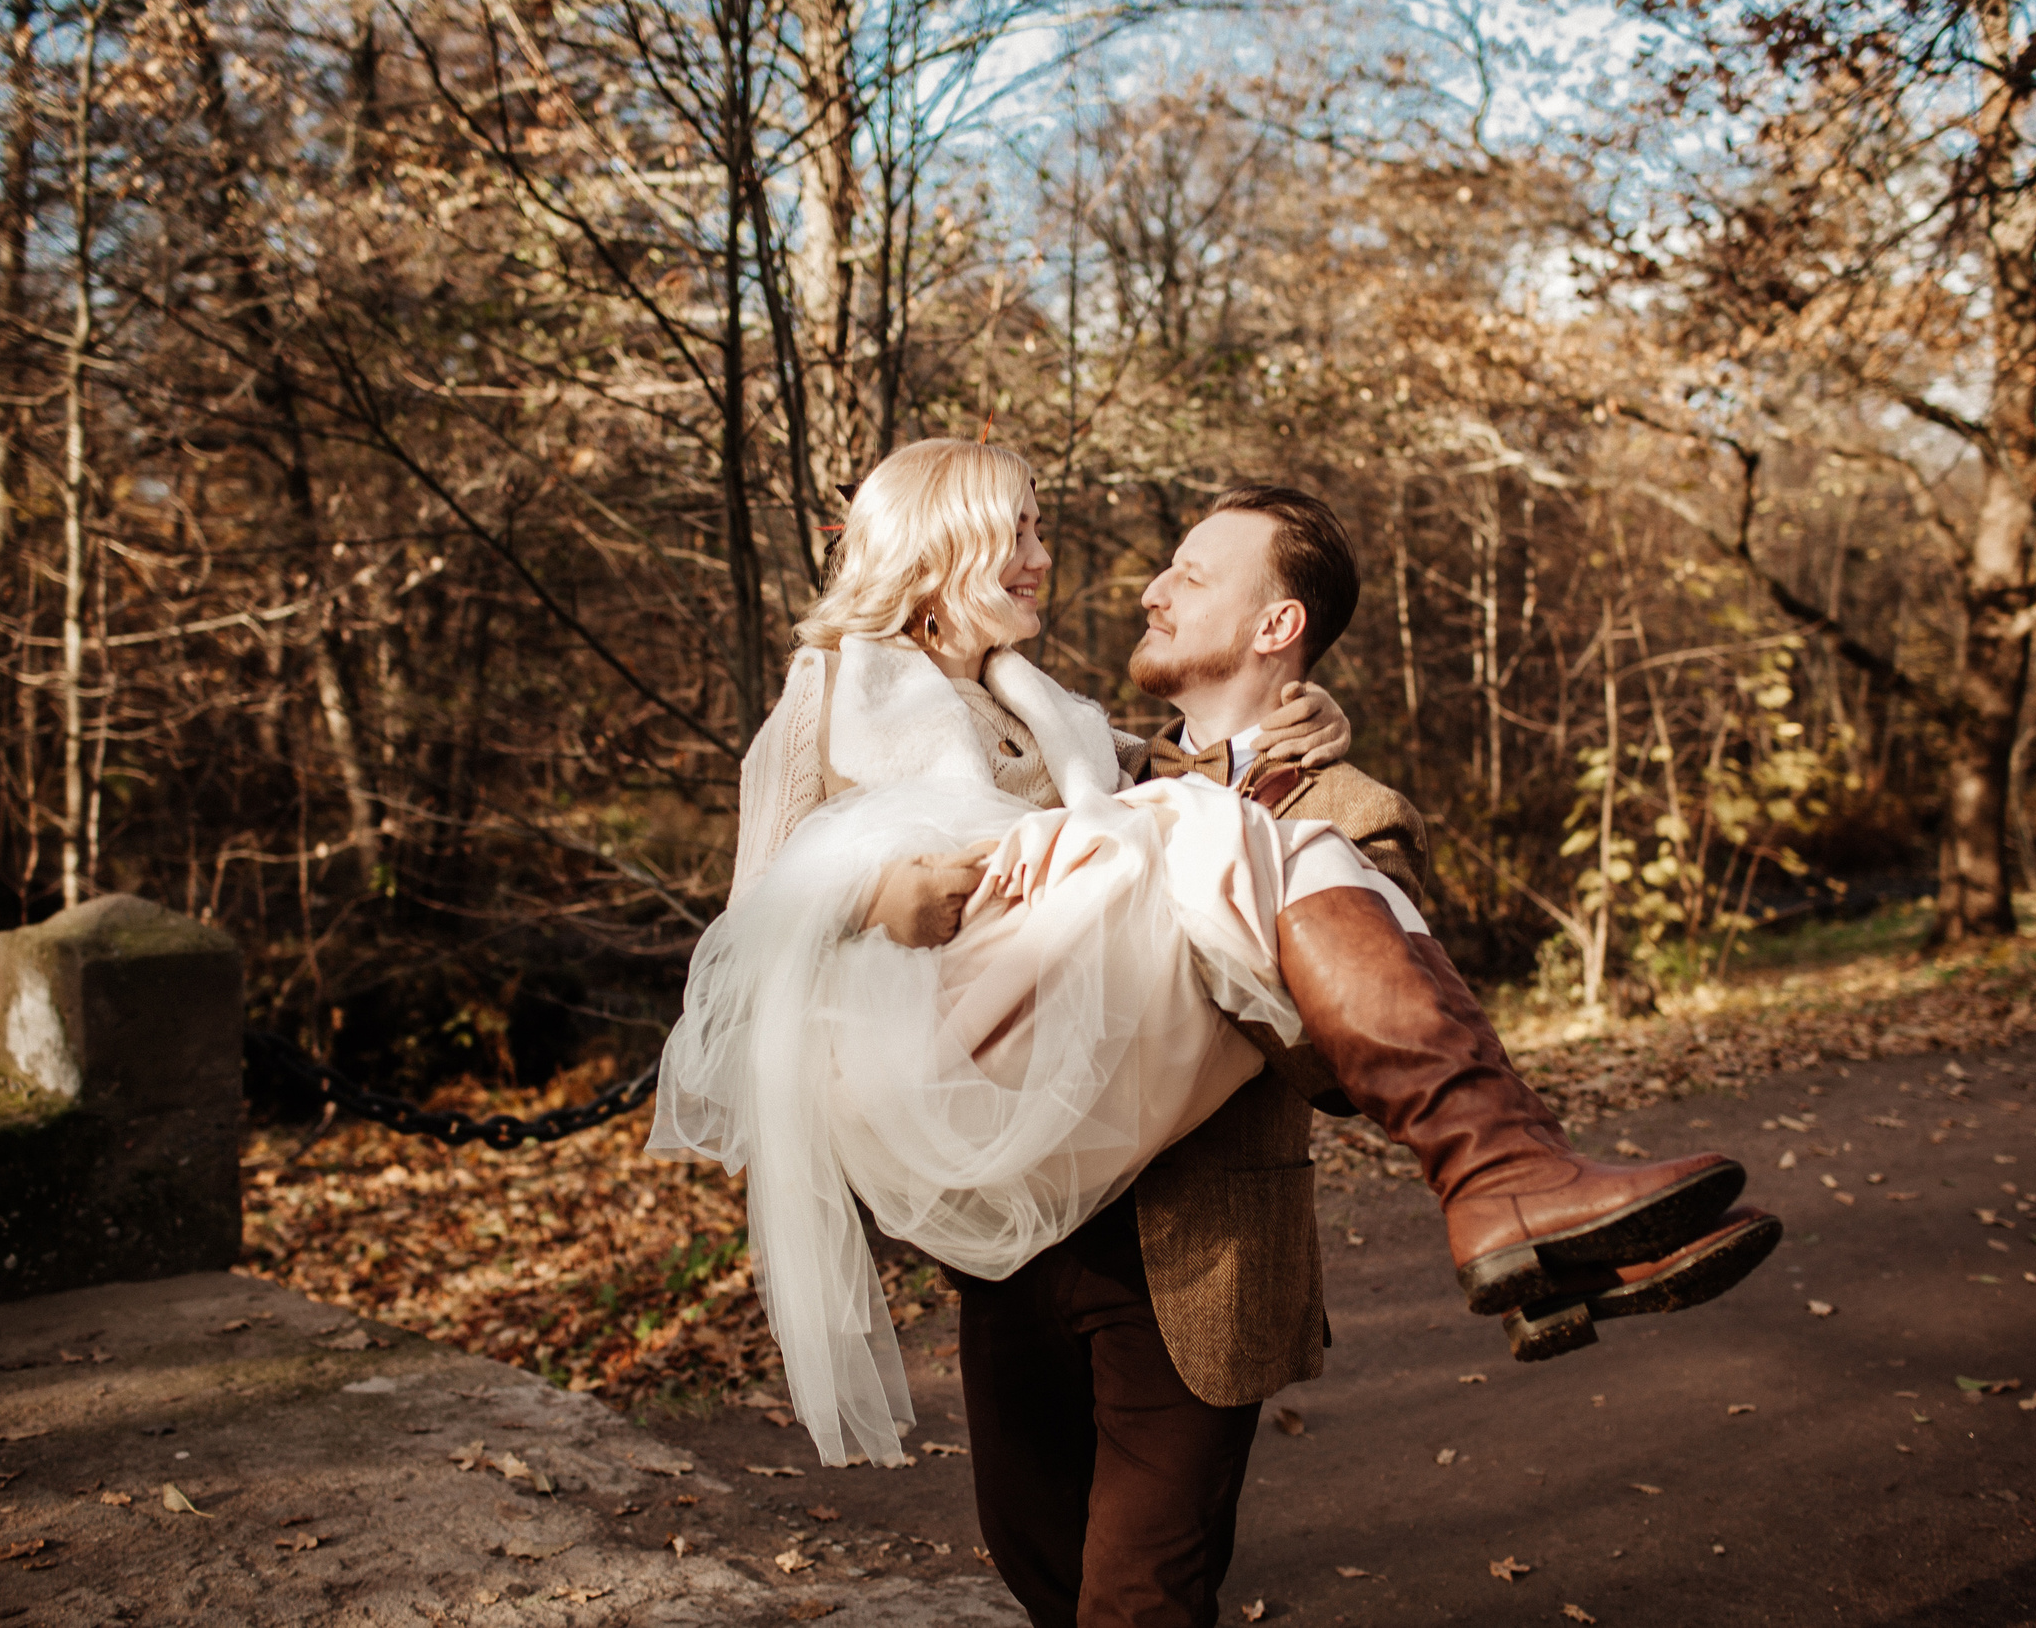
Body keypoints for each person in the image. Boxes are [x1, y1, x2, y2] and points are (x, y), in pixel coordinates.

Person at [647, 440, 1766, 1492]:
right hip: (927, 1058)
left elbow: (1172, 779)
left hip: (1076, 1082)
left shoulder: (1045, 713)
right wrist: (874, 894)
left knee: (1241, 827)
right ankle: (1496, 1171)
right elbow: (749, 936)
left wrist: (1292, 720)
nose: (1051, 558)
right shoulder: (829, 696)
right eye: (1023, 532)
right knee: (1219, 830)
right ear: (942, 548)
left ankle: (1512, 1190)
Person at [947, 483, 1779, 1628]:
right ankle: (1524, 1206)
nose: (1151, 587)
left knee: (1137, 1601)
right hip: (1024, 1242)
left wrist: (1251, 831)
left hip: (1198, 1264)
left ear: (1276, 627)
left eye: (1191, 573)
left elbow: (1339, 1075)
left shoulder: (1347, 809)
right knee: (1035, 1568)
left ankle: (1512, 1188)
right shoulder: (1086, 759)